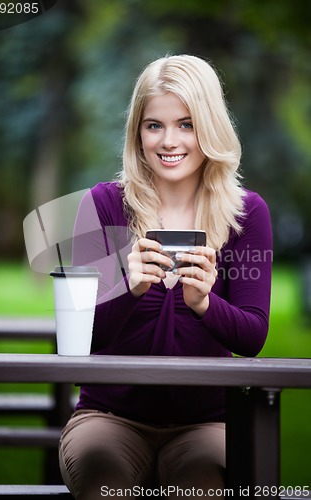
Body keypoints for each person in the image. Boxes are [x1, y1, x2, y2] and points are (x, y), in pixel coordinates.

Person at [58, 54, 272, 499]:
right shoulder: (101, 207)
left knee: (200, 488)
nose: (168, 140)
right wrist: (129, 289)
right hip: (108, 417)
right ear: (137, 132)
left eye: (186, 124)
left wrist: (205, 304)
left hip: (208, 422)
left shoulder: (246, 213)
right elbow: (77, 342)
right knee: (105, 486)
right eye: (154, 125)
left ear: (209, 127)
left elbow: (252, 337)